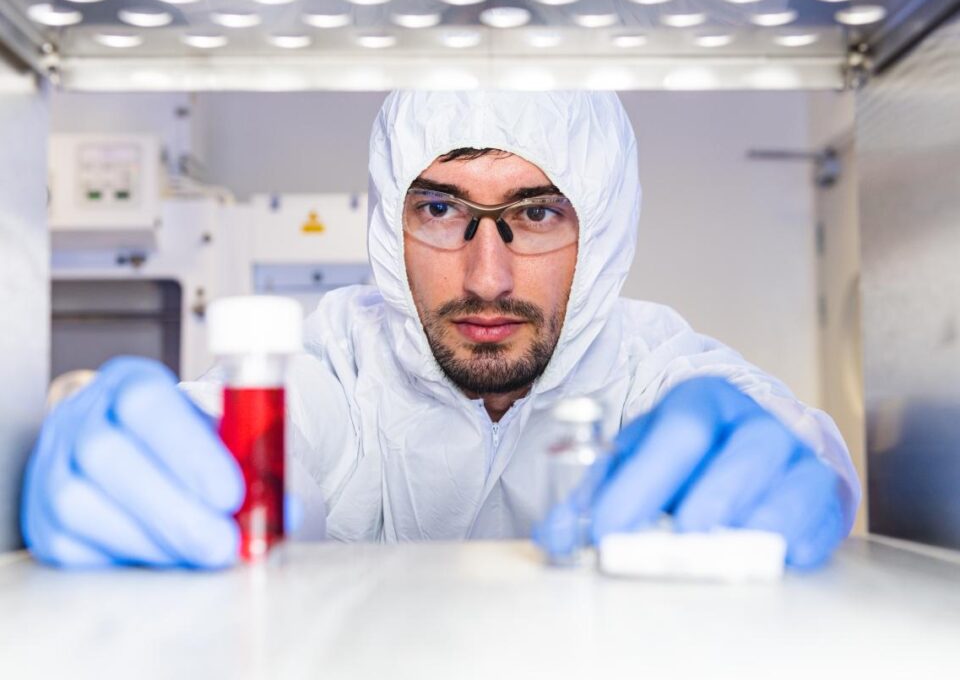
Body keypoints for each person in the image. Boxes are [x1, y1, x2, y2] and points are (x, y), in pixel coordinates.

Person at [21, 91, 860, 569]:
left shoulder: (651, 368)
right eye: (440, 207)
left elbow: (776, 436)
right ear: (391, 224)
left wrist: (802, 465)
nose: (485, 276)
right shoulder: (339, 361)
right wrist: (162, 457)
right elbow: (258, 442)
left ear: (602, 231)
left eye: (535, 213)